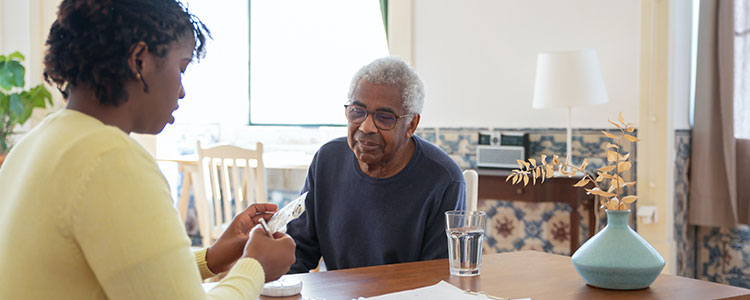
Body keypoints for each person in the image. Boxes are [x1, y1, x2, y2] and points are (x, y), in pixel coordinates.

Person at [0, 0, 295, 299]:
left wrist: (211, 259)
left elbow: (127, 276)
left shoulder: (33, 146)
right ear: (139, 60)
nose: (182, 90)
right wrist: (256, 264)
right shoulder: (110, 158)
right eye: (181, 68)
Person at [286, 56, 466, 273]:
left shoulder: (444, 180)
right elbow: (297, 254)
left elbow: (437, 277)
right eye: (357, 111)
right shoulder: (327, 160)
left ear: (412, 125)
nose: (366, 126)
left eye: (384, 117)